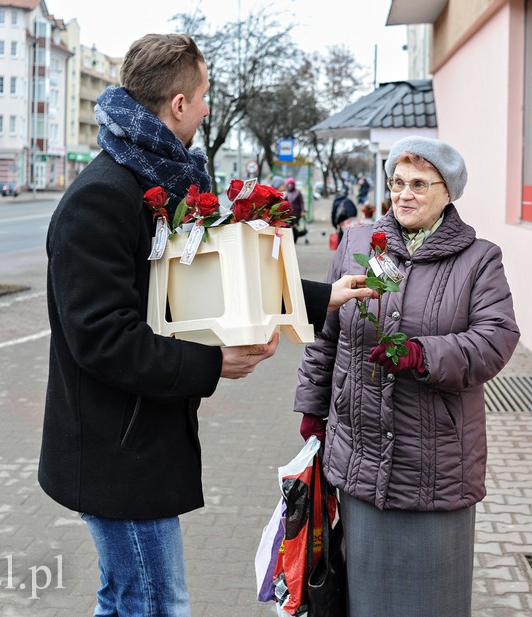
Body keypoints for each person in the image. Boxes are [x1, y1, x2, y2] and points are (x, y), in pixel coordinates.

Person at [38, 33, 375, 617]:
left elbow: (219, 272)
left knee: (126, 598)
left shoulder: (156, 180)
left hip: (135, 440)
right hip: (114, 451)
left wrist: (322, 298)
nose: (208, 108)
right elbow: (103, 339)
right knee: (156, 601)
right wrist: (213, 364)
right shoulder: (103, 197)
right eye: (204, 96)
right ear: (177, 104)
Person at [294, 135, 520, 616]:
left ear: (447, 192)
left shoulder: (478, 259)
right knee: (365, 593)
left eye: (419, 183)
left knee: (430, 597)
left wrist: (423, 355)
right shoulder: (362, 243)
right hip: (359, 452)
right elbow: (328, 335)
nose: (404, 193)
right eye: (397, 181)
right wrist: (312, 408)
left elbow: (496, 339)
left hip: (433, 464)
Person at [284, 177, 306, 244]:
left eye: (291, 184)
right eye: (289, 184)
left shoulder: (298, 192)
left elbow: (301, 202)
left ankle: (294, 240)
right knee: (287, 226)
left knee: (295, 227)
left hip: (296, 213)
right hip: (288, 213)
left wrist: (303, 211)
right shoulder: (286, 193)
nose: (290, 185)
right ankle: (289, 239)